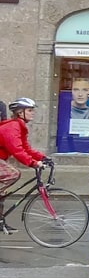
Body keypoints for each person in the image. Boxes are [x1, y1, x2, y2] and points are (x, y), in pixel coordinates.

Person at [0, 98, 48, 234]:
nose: (33, 113)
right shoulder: (12, 127)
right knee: (13, 174)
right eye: (30, 110)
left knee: (1, 193)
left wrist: (43, 158)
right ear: (20, 113)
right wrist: (33, 163)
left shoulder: (19, 126)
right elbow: (17, 151)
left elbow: (26, 149)